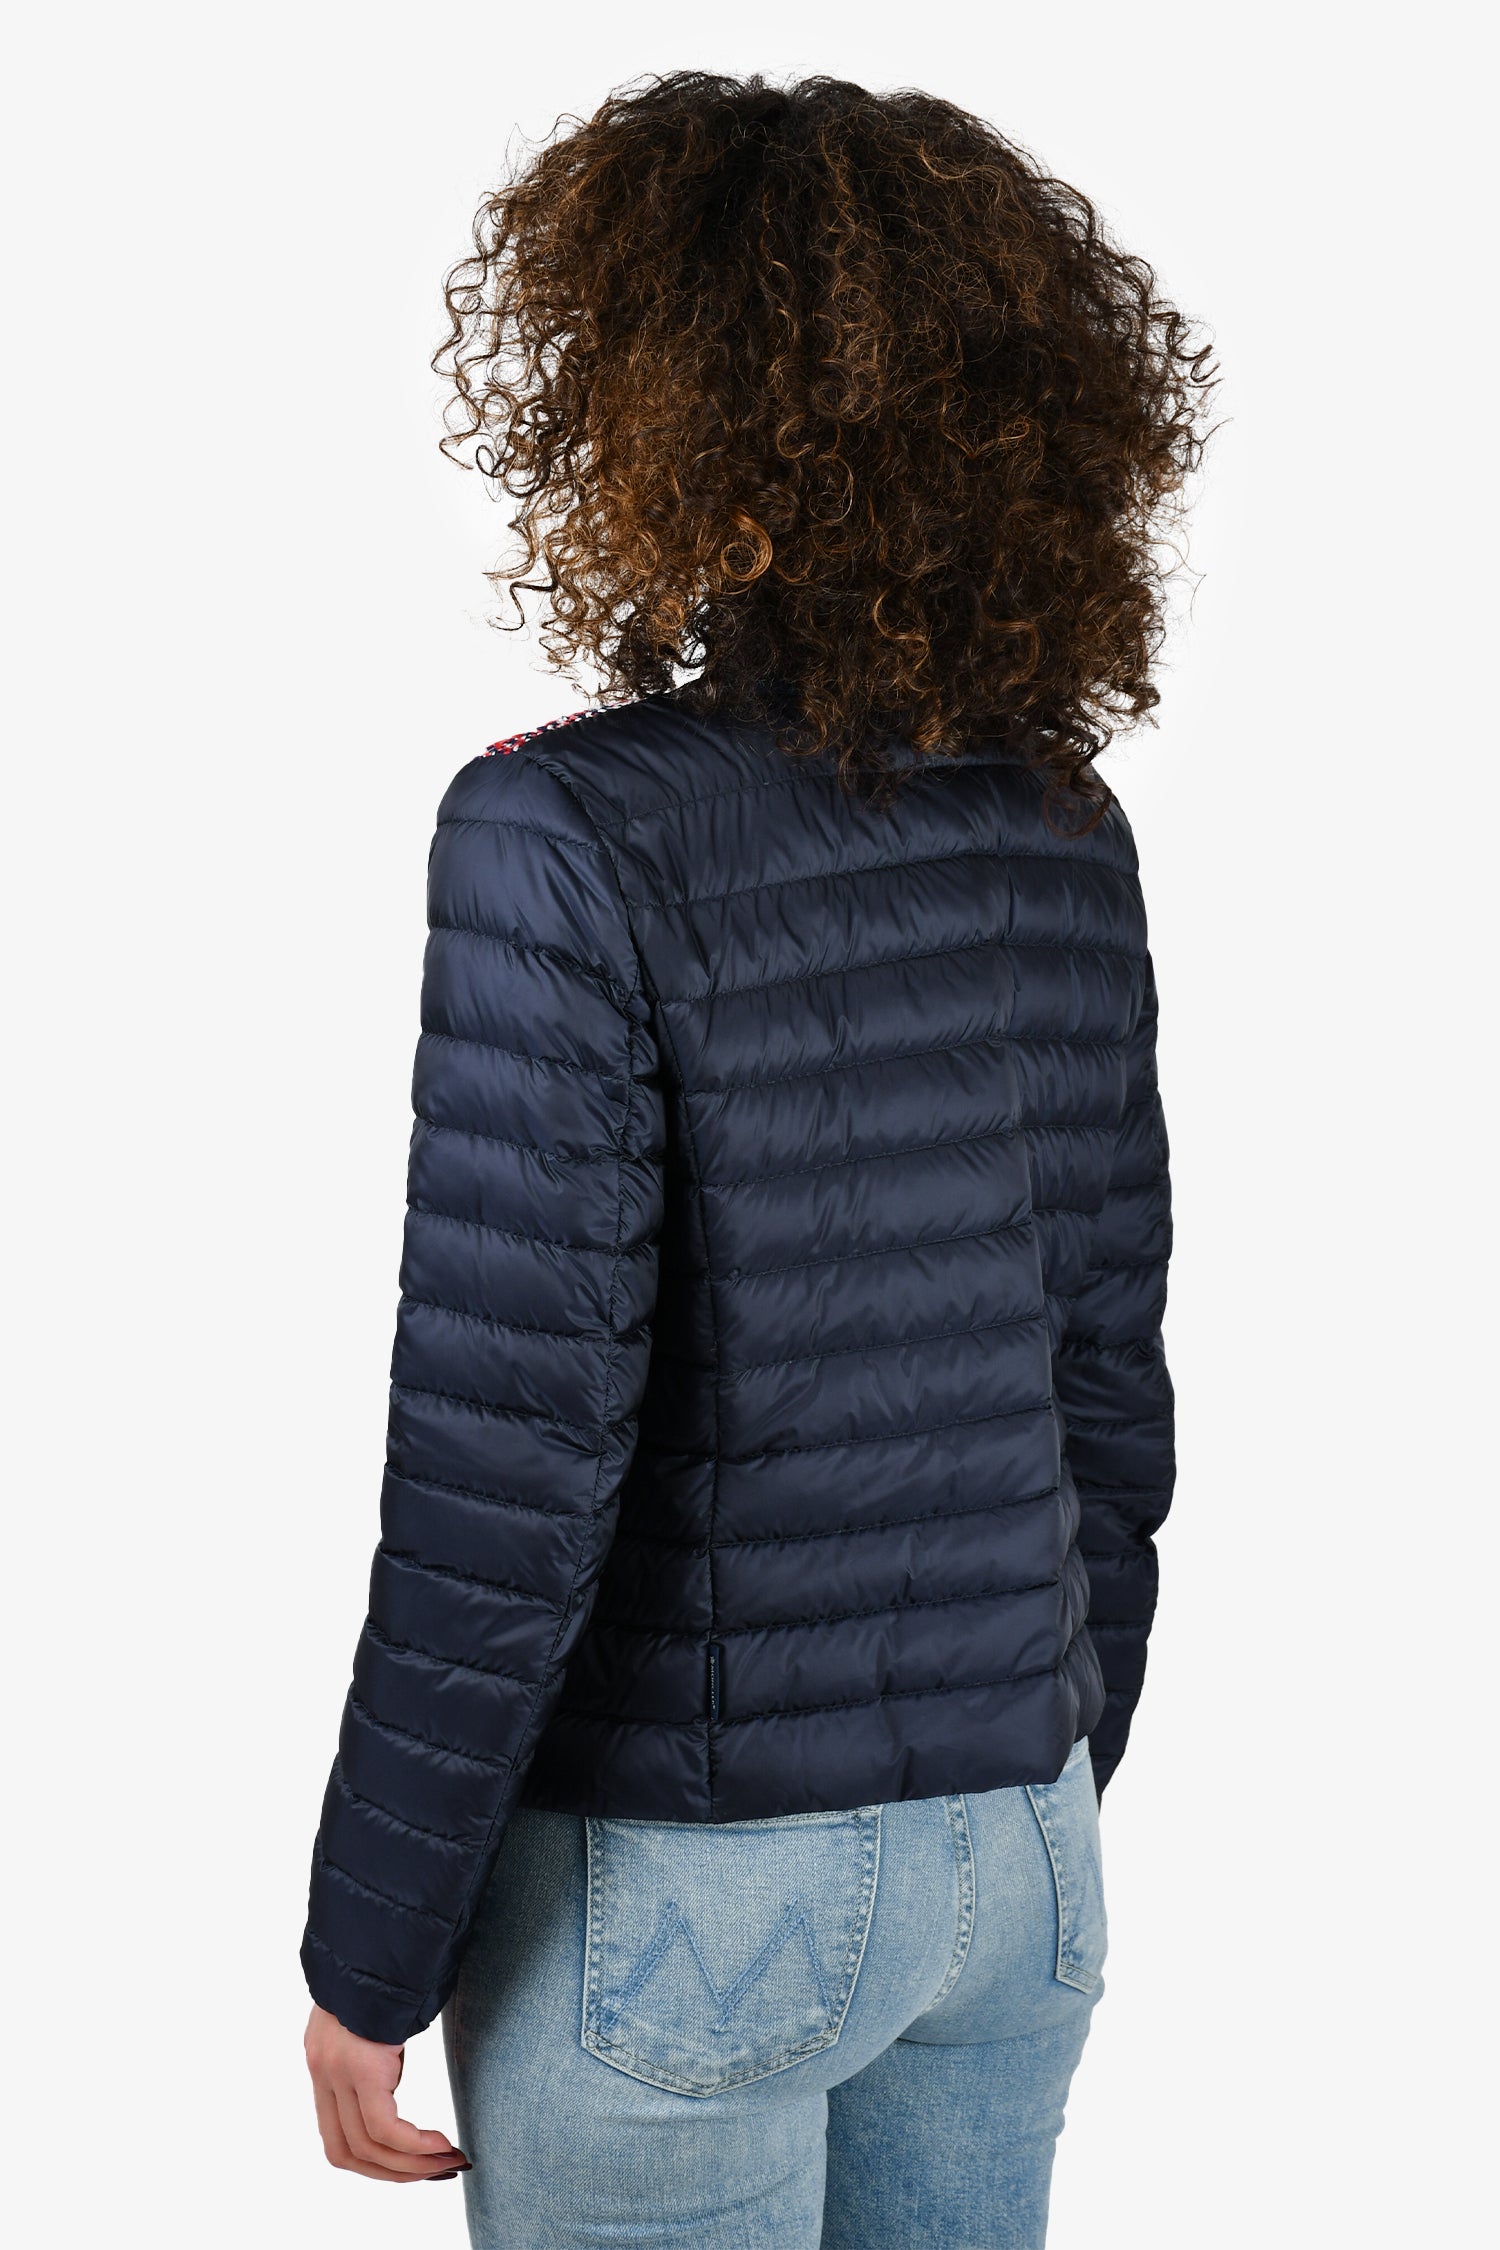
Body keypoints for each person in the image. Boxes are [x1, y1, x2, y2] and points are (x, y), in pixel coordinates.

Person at [301, 70, 1212, 2248]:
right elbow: (1110, 1382)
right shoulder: (1059, 823)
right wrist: (1035, 1772)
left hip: (687, 1889)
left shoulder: (559, 829)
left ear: (647, 407)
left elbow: (510, 1457)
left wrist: (368, 1945)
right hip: (1021, 1852)